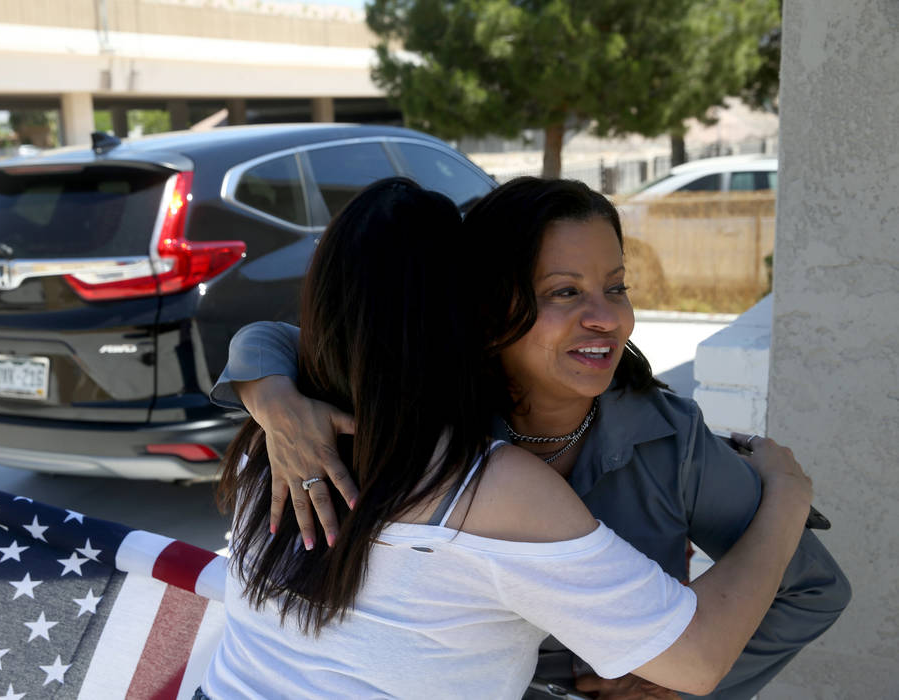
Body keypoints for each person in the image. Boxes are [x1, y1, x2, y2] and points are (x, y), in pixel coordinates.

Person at [209, 177, 850, 699]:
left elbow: (800, 597)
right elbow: (307, 340)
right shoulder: (439, 431)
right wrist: (274, 398)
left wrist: (669, 691)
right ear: (483, 312)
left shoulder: (669, 441)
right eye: (563, 291)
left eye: (617, 287)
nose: (606, 316)